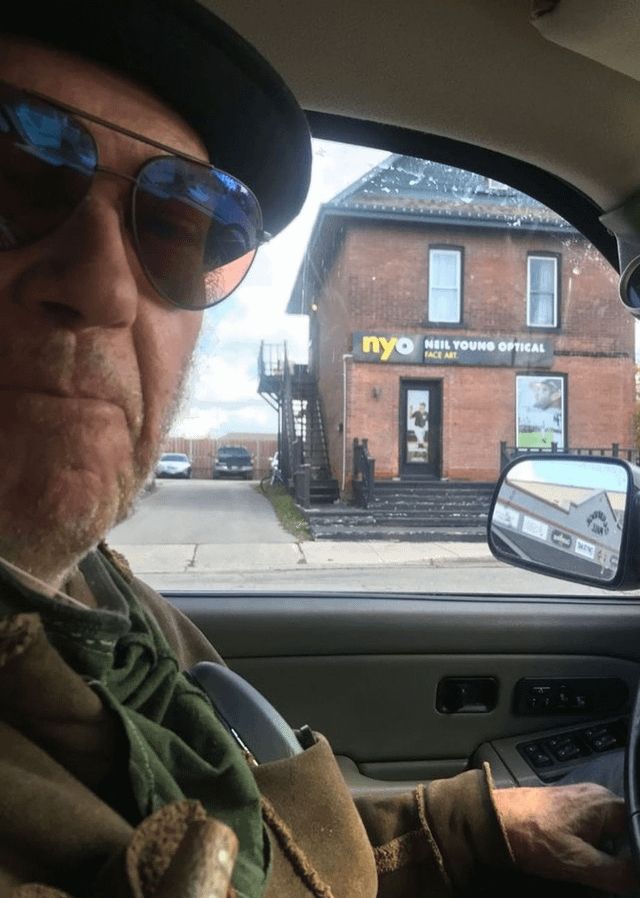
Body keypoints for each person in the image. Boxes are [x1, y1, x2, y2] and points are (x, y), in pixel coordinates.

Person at [0, 2, 634, 897]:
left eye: (178, 226)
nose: (106, 284)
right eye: (14, 180)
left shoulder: (101, 596)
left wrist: (475, 825)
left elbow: (271, 849)